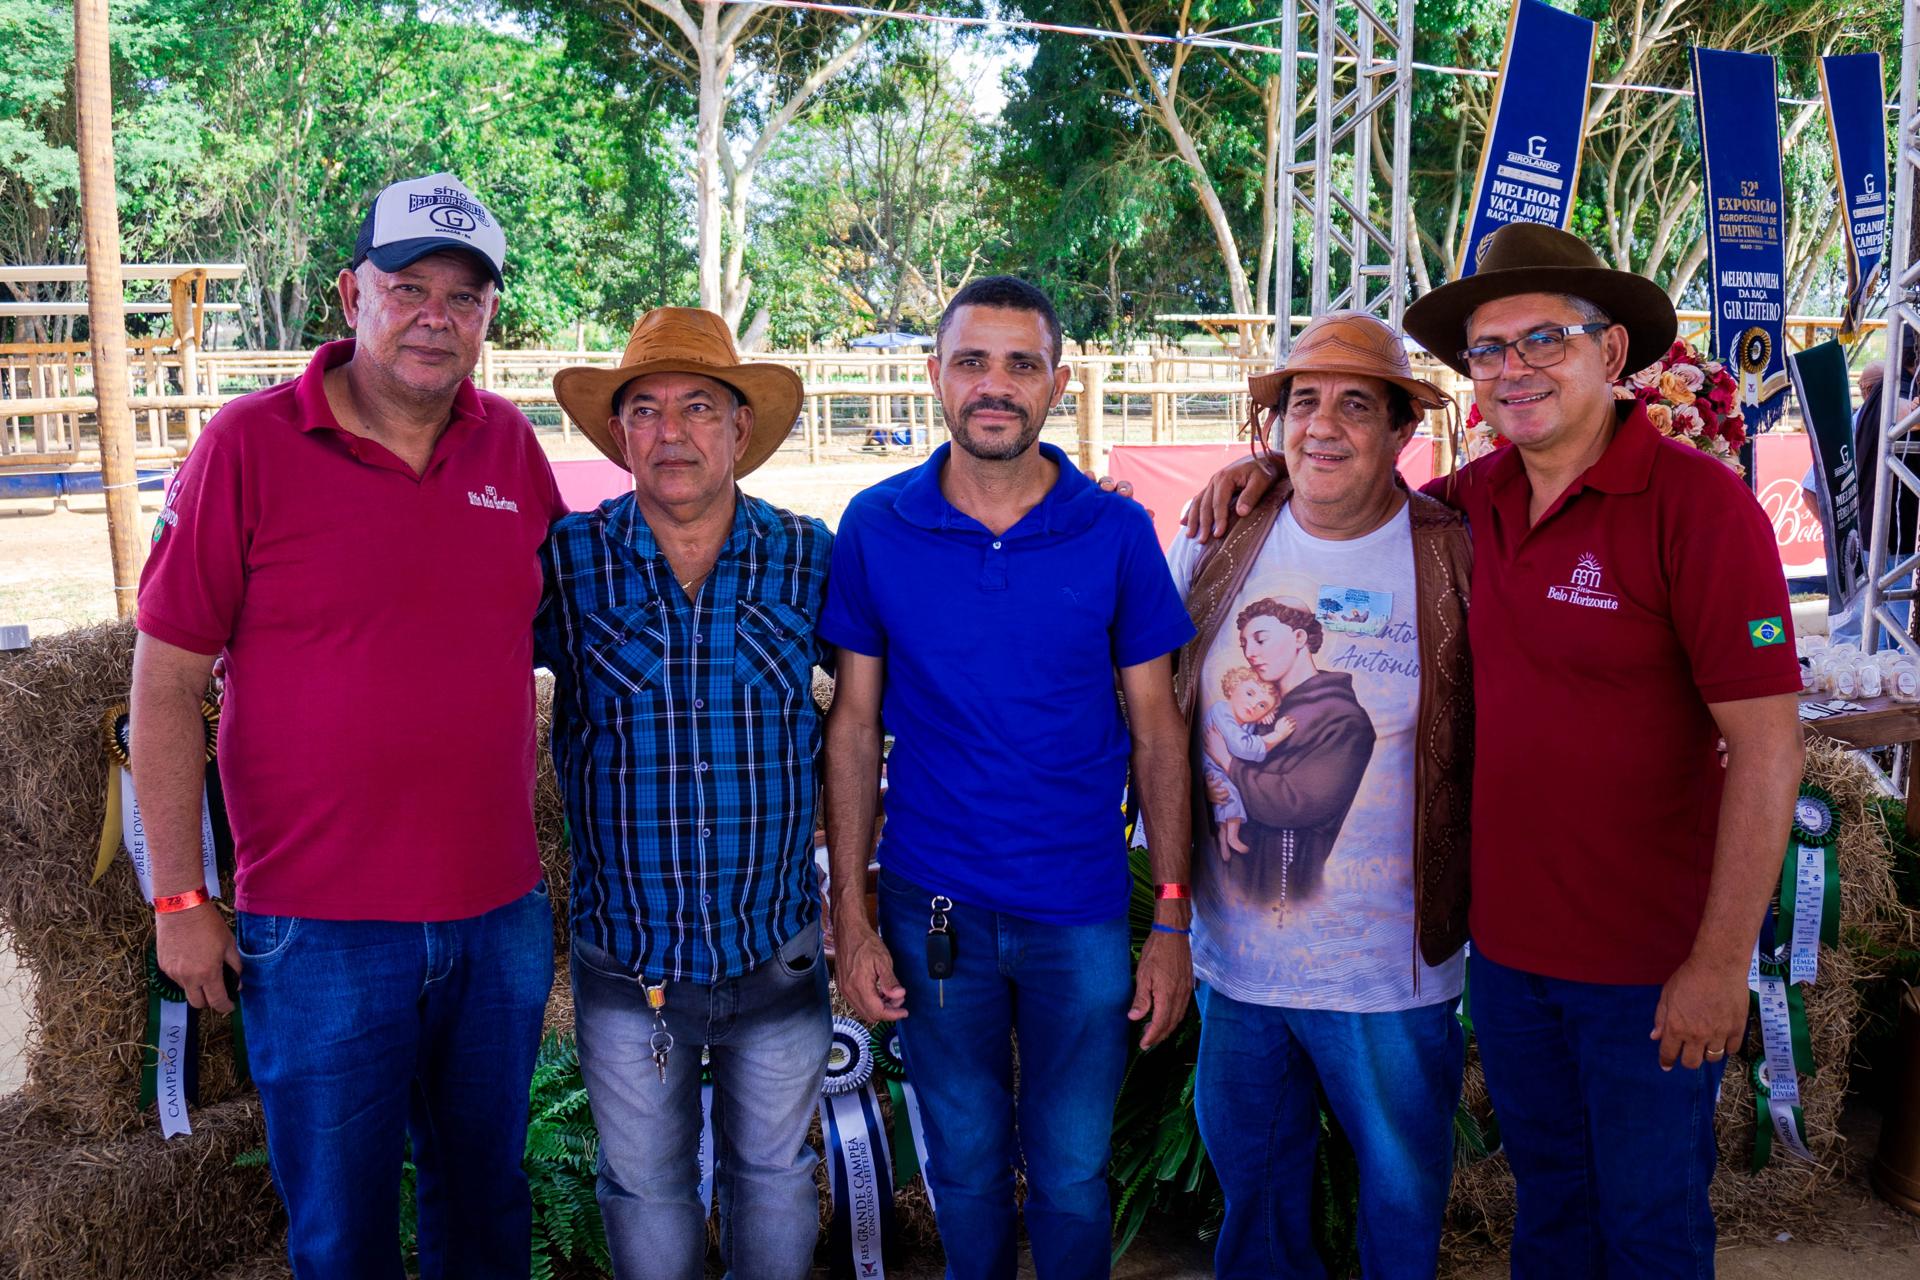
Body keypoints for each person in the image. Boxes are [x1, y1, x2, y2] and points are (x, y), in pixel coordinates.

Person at [1188, 225, 1807, 1277]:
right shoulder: (1471, 508)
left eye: (1544, 339)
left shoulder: (1702, 510)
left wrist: (1718, 964)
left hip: (1648, 962)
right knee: (1551, 1215)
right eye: (1488, 349)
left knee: (1649, 1227)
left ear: (1612, 352)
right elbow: (1349, 487)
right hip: (1511, 960)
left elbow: (1769, 749)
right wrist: (1264, 469)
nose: (1513, 368)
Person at [132, 173, 563, 1278]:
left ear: (489, 316)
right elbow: (165, 683)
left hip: (498, 919)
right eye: (407, 287)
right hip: (319, 929)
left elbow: (582, 632)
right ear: (350, 295)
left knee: (488, 1212)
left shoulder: (510, 448)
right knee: (339, 1235)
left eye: (464, 297)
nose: (435, 316)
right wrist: (179, 896)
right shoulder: (249, 443)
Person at [821, 276, 1196, 1280]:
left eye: (1022, 364)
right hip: (933, 907)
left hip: (1079, 913)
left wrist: (1171, 917)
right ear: (935, 375)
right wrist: (852, 912)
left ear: (1058, 384)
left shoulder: (1116, 532)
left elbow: (1159, 732)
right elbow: (853, 726)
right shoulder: (876, 525)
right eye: (972, 361)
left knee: (1073, 1173)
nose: (996, 384)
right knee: (966, 1165)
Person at [1167, 310, 1472, 1278]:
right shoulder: (1217, 541)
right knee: (1255, 1206)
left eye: (1356, 405)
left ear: (1403, 430)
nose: (1323, 426)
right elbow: (1155, 712)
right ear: (1275, 424)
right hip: (1238, 969)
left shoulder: (1453, 556)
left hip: (1390, 979)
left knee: (1401, 1204)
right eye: (1303, 402)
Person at [539, 308, 832, 1280]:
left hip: (774, 946)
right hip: (629, 956)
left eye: (700, 407)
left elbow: (881, 702)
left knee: (776, 1176)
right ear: (617, 433)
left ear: (741, 428)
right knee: (643, 1187)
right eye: (646, 410)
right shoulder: (566, 561)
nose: (672, 432)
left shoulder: (808, 555)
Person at [1203, 665, 1294, 859]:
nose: (1253, 705)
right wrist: (1277, 736)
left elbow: (1249, 725)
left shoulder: (1244, 717)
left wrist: (1265, 714)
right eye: (1250, 693)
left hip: (1218, 766)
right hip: (1208, 766)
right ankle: (1230, 837)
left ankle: (1224, 837)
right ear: (1232, 687)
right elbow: (1242, 747)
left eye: (1262, 705)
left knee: (1227, 795)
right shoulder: (1221, 711)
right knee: (1229, 793)